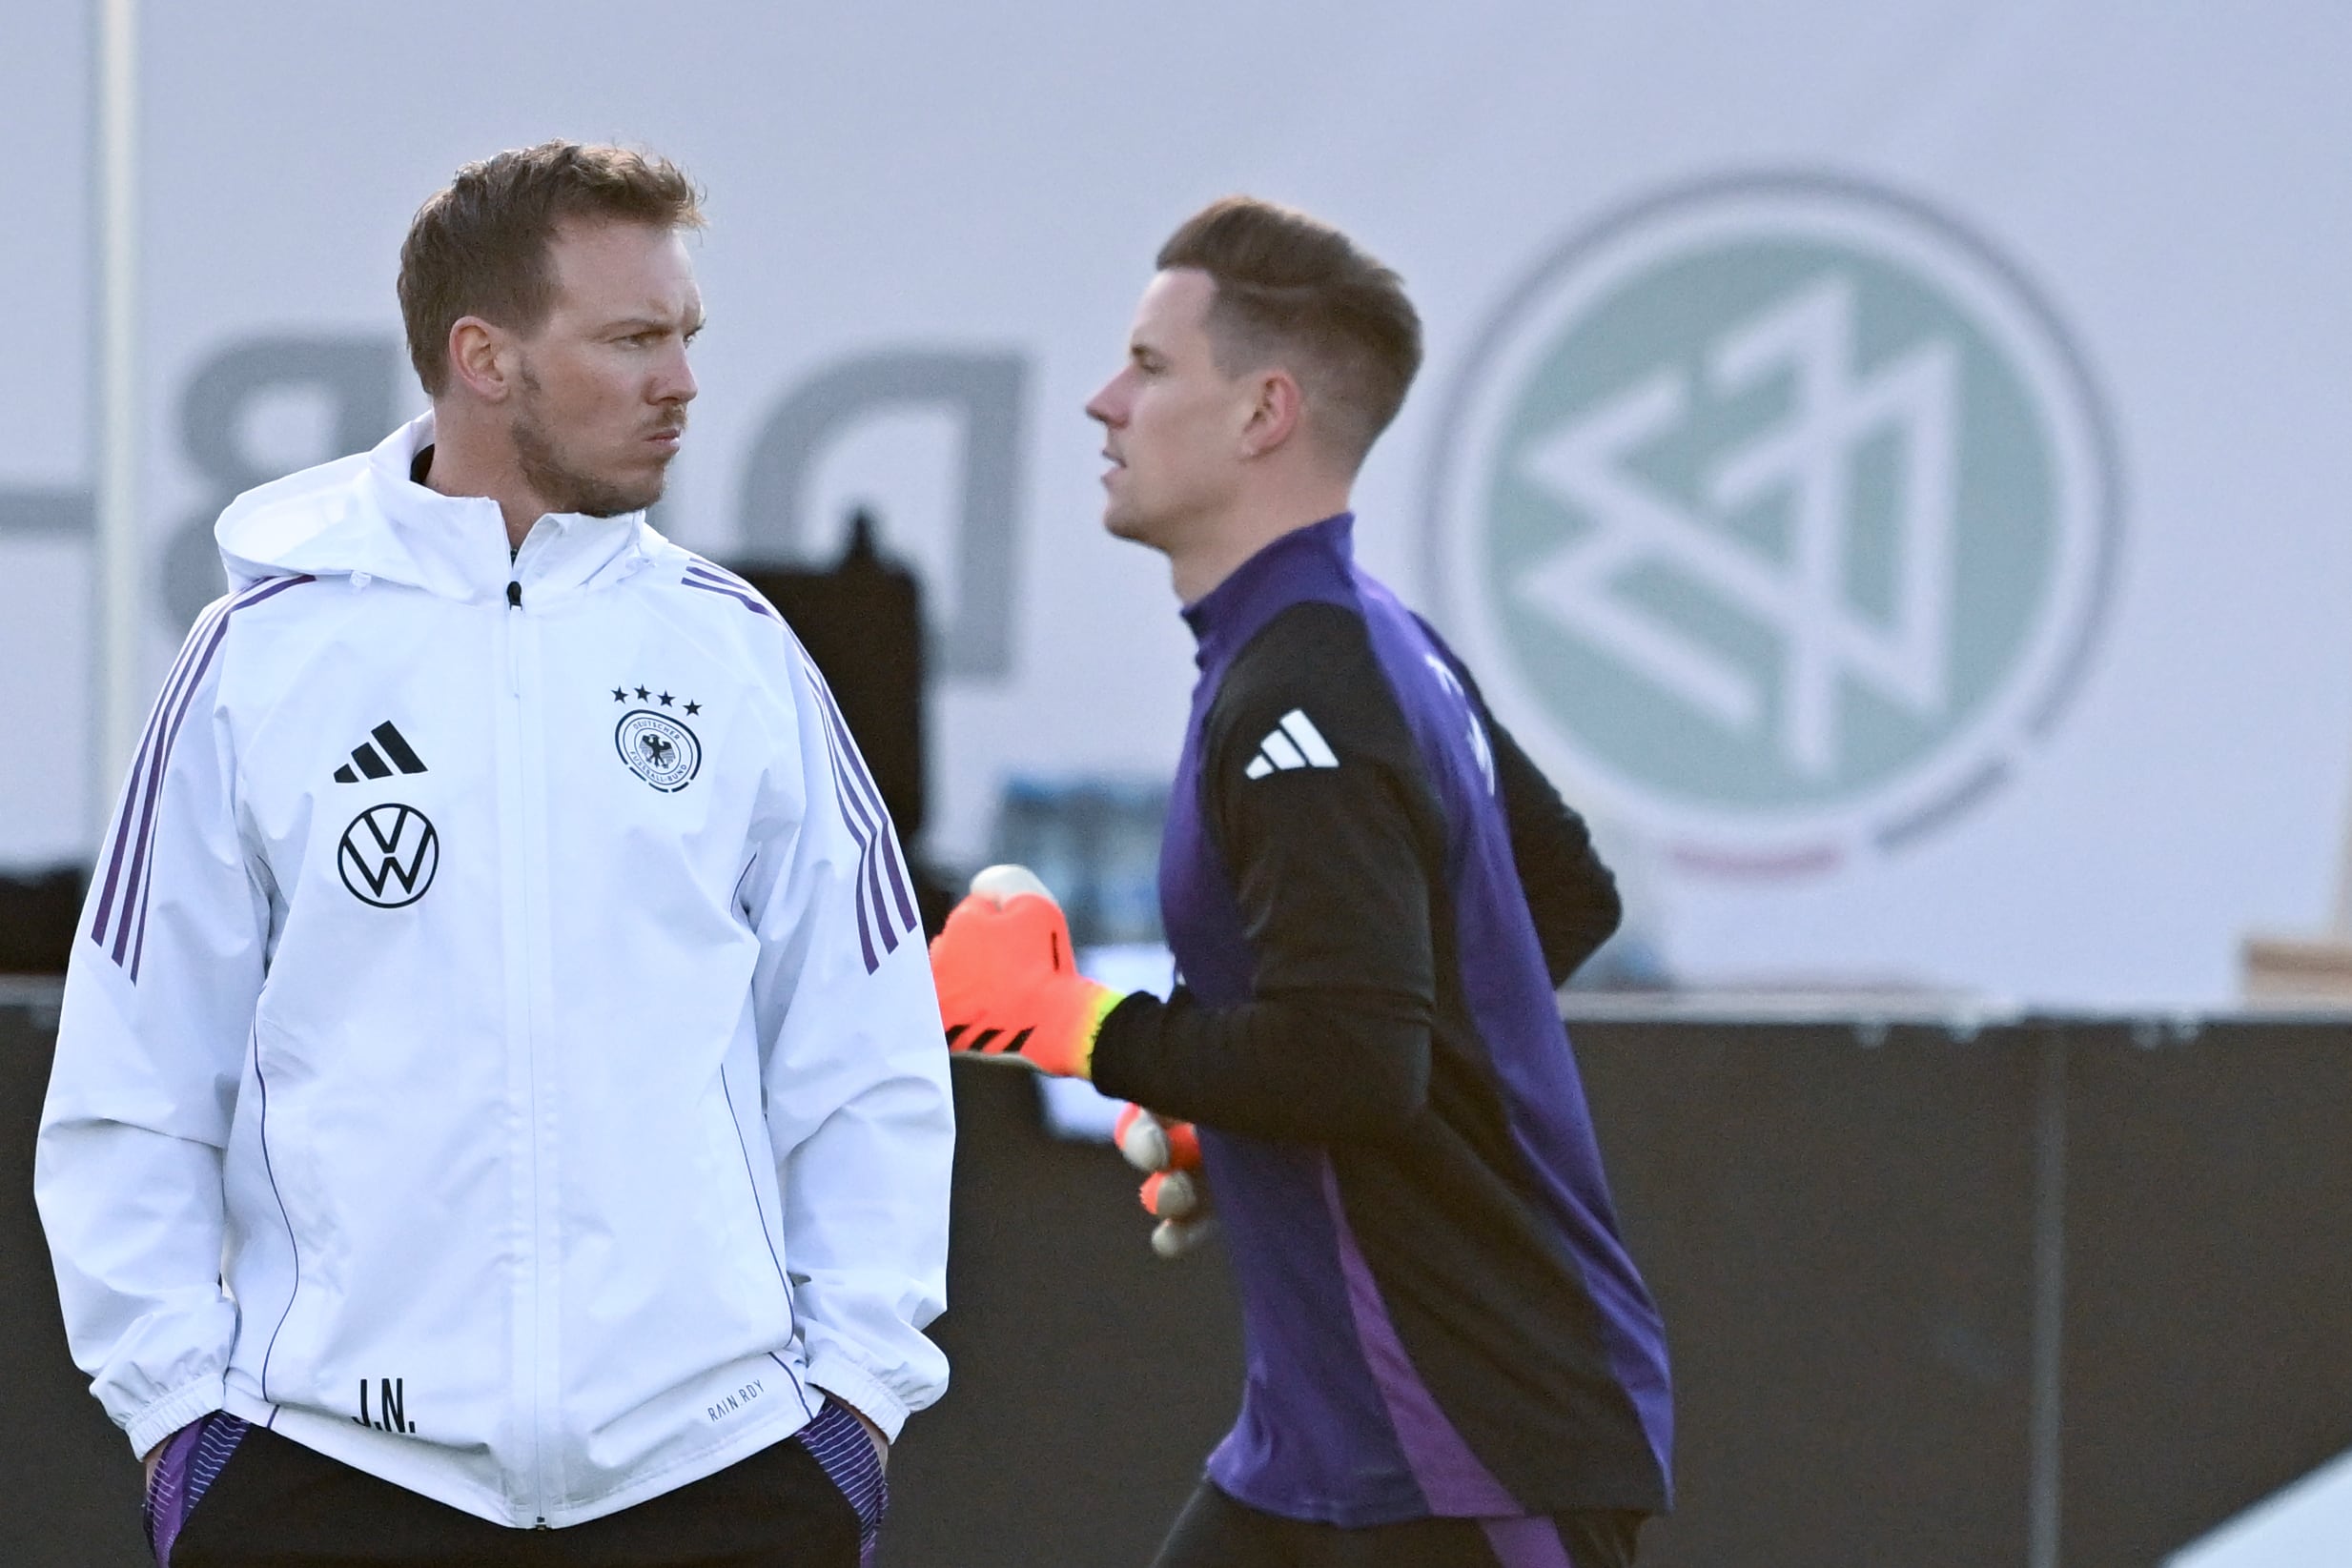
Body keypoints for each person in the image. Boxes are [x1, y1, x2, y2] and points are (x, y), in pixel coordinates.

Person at [35, 141, 951, 1568]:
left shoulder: (739, 655)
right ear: (485, 357)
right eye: (635, 337)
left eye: (687, 336)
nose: (685, 382)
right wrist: (178, 1429)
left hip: (720, 1481)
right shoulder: (260, 659)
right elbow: (132, 1080)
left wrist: (856, 1404)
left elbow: (871, 1053)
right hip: (326, 1480)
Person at [931, 196, 1671, 1567]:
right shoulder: (1359, 640)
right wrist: (1249, 1115)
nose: (1103, 403)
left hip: (1469, 1444)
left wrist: (1081, 1024)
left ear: (1265, 412)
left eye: (1150, 367)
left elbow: (1357, 1054)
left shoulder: (1310, 677)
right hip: (1332, 1448)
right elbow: (1553, 902)